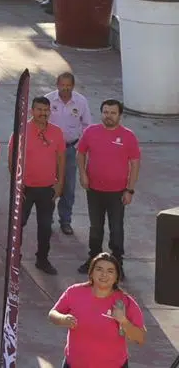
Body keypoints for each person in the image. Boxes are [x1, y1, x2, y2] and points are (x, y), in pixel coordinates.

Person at [48, 253, 147, 366]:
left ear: (116, 277)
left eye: (110, 271)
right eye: (99, 269)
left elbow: (141, 338)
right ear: (91, 273)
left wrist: (124, 321)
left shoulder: (125, 301)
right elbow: (52, 314)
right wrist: (62, 318)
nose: (104, 274)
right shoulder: (74, 292)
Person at [76, 98, 140, 273]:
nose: (108, 116)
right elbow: (80, 153)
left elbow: (135, 164)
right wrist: (83, 174)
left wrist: (130, 190)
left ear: (119, 115)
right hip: (94, 190)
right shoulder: (90, 132)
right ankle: (93, 259)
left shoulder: (128, 136)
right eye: (105, 112)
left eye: (113, 113)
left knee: (116, 228)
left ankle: (117, 263)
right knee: (95, 227)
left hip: (117, 193)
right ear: (101, 113)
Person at [12, 95, 66, 274]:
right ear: (31, 111)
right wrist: (17, 185)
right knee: (19, 224)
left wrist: (59, 184)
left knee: (45, 226)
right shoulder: (21, 130)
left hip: (47, 189)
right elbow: (12, 160)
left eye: (46, 110)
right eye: (39, 109)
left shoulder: (57, 132)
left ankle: (42, 260)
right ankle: (15, 258)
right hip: (25, 188)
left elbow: (61, 159)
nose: (43, 113)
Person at [49, 71, 92, 235]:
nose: (65, 89)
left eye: (68, 86)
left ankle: (65, 221)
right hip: (50, 151)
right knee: (49, 185)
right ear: (57, 85)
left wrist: (78, 147)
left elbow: (87, 126)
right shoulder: (48, 99)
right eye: (62, 85)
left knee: (68, 187)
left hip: (70, 150)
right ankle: (48, 219)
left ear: (73, 86)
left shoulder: (80, 102)